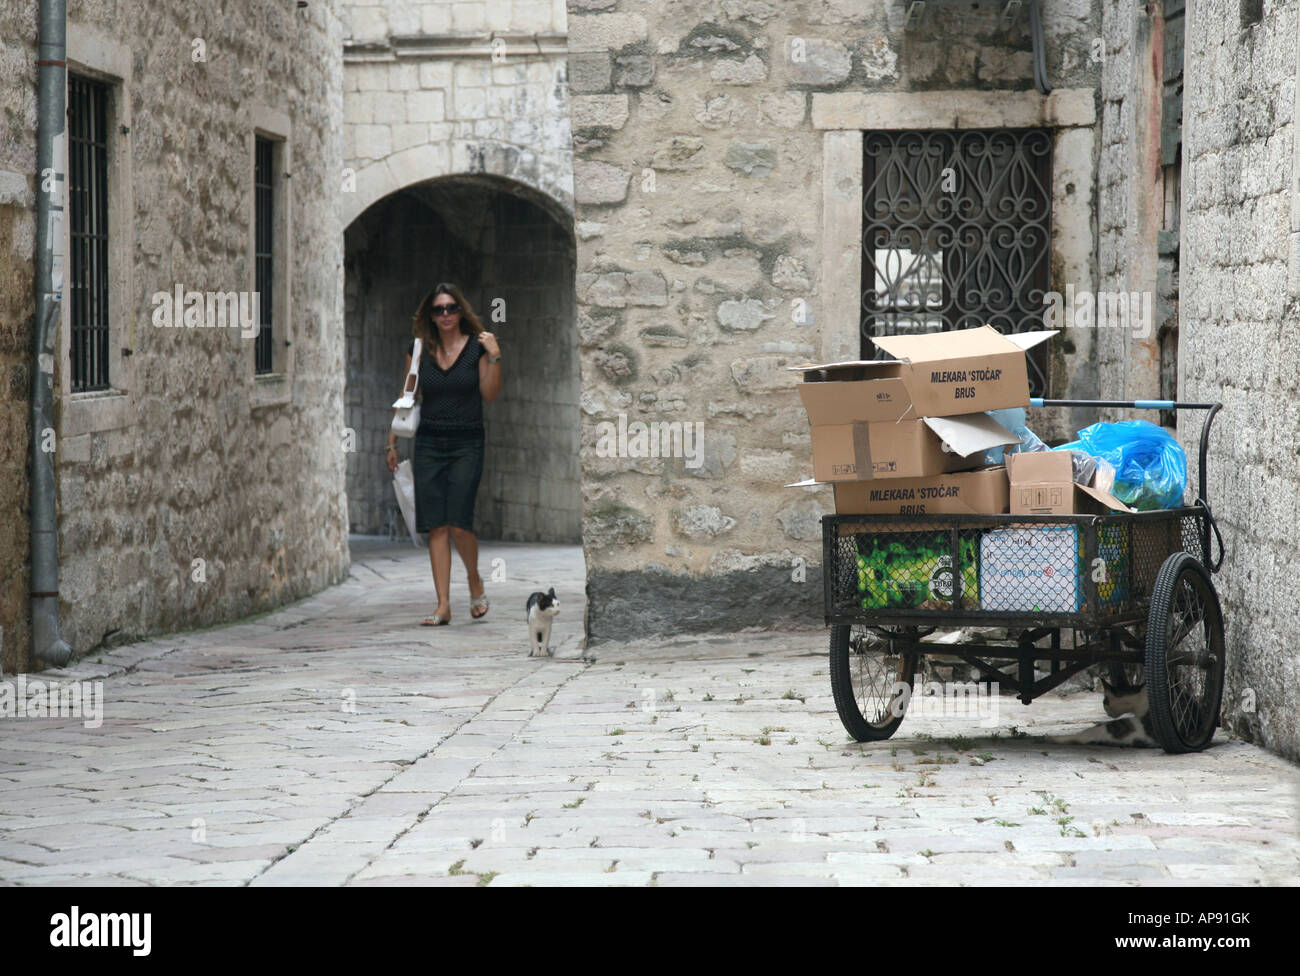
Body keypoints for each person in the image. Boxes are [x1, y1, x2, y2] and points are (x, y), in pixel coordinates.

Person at [386, 283, 502, 625]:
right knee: (437, 525)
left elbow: (490, 394)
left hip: (468, 443)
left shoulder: (478, 348)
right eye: (439, 310)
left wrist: (494, 355)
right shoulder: (419, 350)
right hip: (430, 444)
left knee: (459, 523)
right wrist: (391, 442)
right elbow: (406, 396)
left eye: (452, 308)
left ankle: (474, 579)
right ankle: (443, 604)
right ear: (430, 316)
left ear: (461, 311)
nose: (446, 314)